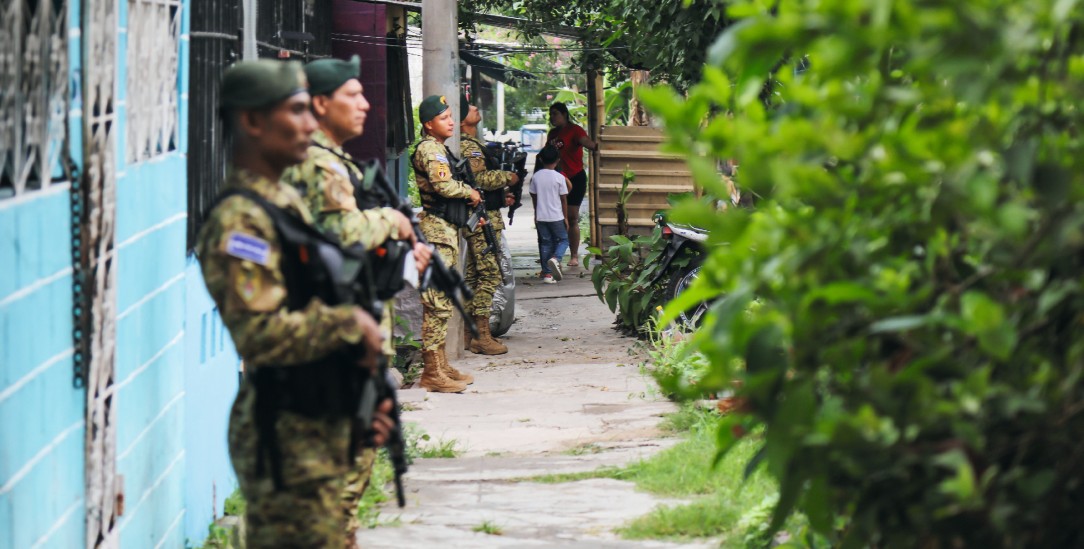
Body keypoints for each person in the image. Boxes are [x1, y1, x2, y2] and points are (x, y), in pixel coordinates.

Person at [196, 59, 395, 548]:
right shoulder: (241, 220)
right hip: (286, 433)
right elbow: (259, 334)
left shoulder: (282, 201)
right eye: (298, 110)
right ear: (253, 121)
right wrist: (349, 326)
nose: (311, 123)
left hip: (318, 414)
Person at [281, 55, 431, 549]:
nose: (365, 104)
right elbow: (339, 235)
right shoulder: (318, 162)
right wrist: (392, 221)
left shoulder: (331, 160)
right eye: (352, 94)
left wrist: (401, 253)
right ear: (321, 104)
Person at [412, 94, 482, 392]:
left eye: (451, 116)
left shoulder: (439, 148)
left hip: (446, 231)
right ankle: (431, 370)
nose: (451, 121)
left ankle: (439, 364)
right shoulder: (430, 149)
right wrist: (469, 192)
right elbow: (442, 185)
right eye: (444, 118)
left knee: (441, 302)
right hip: (437, 233)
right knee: (436, 302)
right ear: (429, 124)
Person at [459, 94, 518, 355]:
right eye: (470, 107)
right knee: (490, 274)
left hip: (484, 213)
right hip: (481, 219)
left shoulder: (474, 143)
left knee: (473, 275)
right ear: (462, 120)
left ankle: (466, 332)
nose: (475, 107)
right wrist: (508, 176)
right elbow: (479, 178)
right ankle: (481, 334)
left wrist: (501, 196)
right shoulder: (468, 147)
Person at [544, 102, 598, 268]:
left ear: (564, 114)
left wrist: (598, 145)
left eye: (555, 114)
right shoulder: (552, 134)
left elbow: (588, 143)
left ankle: (574, 255)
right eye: (550, 114)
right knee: (555, 217)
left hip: (575, 178)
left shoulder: (575, 130)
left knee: (572, 217)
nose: (552, 117)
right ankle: (554, 254)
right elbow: (546, 155)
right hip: (555, 178)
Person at [530, 145, 570, 284]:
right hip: (556, 216)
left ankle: (547, 274)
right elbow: (563, 199)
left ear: (540, 159)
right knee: (564, 240)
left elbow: (534, 197)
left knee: (546, 243)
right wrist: (566, 217)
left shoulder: (536, 177)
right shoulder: (559, 177)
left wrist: (536, 215)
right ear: (558, 160)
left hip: (541, 216)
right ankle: (556, 258)